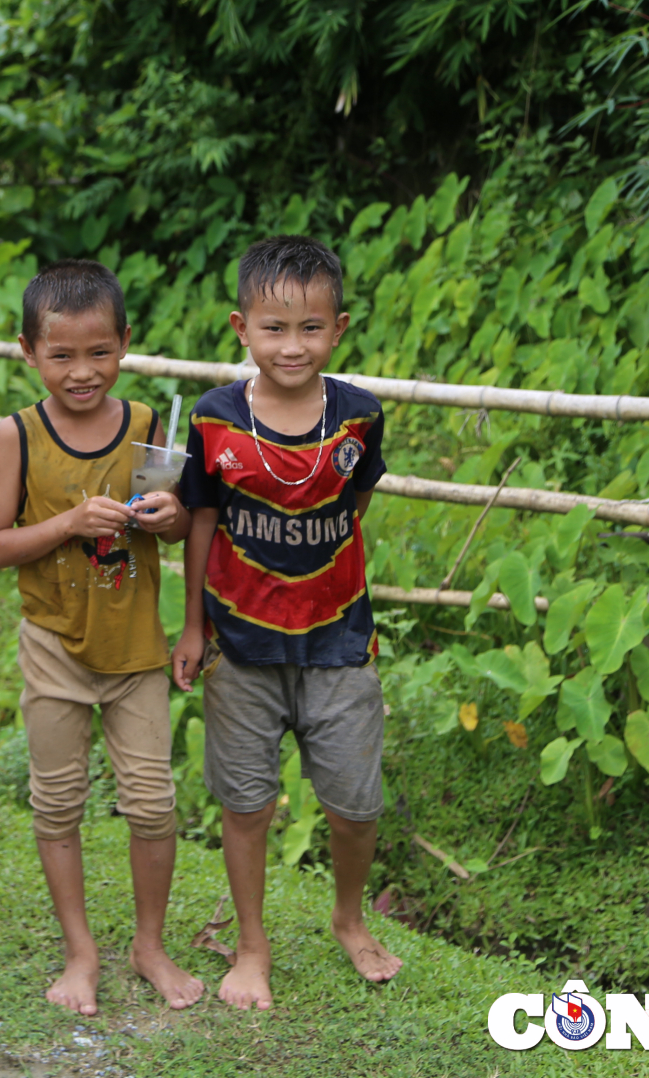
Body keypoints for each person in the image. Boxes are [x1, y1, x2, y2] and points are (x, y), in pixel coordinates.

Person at [171, 234, 402, 1009]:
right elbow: (201, 522)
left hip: (339, 639)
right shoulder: (214, 421)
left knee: (355, 803)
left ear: (340, 328)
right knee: (247, 803)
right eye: (274, 328)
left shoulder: (360, 419)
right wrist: (194, 627)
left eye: (311, 328)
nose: (292, 345)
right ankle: (251, 944)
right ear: (242, 328)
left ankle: (348, 916)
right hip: (239, 644)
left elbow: (352, 507)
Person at [0, 260, 205, 1016]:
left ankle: (150, 945)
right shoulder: (17, 436)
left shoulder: (146, 424)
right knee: (58, 802)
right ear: (28, 352)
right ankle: (81, 952)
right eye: (62, 355)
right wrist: (70, 522)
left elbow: (174, 520)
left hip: (135, 647)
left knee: (152, 803)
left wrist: (166, 520)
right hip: (53, 646)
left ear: (125, 344)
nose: (82, 372)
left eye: (99, 352)